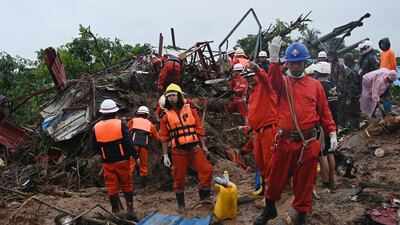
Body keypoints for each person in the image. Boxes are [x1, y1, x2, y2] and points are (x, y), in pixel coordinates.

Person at [253, 37, 337, 225]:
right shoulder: (282, 83)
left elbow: (324, 111)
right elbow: (272, 81)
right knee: (274, 177)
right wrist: (274, 59)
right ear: (288, 64)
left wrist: (332, 132)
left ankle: (301, 215)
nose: (296, 66)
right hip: (284, 141)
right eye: (292, 63)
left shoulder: (315, 86)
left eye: (299, 63)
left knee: (304, 181)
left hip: (307, 143)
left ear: (305, 62)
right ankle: (269, 209)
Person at [159, 83, 213, 212]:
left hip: (194, 147)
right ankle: (181, 205)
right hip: (177, 150)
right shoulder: (165, 116)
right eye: (169, 96)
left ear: (179, 95)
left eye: (174, 95)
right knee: (179, 177)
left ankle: (204, 199)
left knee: (206, 170)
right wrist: (165, 155)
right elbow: (165, 137)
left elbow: (199, 129)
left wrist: (203, 146)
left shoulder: (191, 109)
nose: (171, 97)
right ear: (166, 98)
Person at [92, 99, 137, 218]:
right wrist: (134, 155)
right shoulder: (120, 124)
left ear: (102, 113)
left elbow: (94, 147)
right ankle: (130, 210)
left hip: (107, 163)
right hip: (122, 161)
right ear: (114, 112)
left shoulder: (96, 127)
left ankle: (115, 212)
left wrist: (103, 154)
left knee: (112, 187)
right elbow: (129, 142)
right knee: (127, 185)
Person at [242, 64, 278, 207]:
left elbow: (266, 78)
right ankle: (264, 190)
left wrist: (257, 69)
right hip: (257, 132)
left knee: (270, 164)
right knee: (260, 162)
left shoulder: (266, 86)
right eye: (247, 78)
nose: (250, 80)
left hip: (269, 131)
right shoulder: (253, 90)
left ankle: (271, 198)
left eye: (251, 76)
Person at [314, 62, 338, 191]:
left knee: (321, 154)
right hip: (333, 123)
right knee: (330, 152)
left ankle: (325, 183)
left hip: (322, 125)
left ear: (317, 73)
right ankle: (332, 181)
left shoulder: (318, 86)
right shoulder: (333, 86)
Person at [127, 106, 161, 188]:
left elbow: (126, 131)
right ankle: (143, 185)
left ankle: (127, 185)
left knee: (130, 164)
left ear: (138, 114)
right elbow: (157, 138)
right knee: (144, 165)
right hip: (144, 146)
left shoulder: (133, 121)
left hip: (133, 145)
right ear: (147, 115)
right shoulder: (150, 124)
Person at [338, 53, 362, 130]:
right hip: (356, 95)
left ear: (348, 61)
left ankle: (354, 129)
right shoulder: (356, 68)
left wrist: (349, 98)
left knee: (353, 113)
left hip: (353, 96)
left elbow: (352, 87)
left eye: (345, 60)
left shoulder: (352, 72)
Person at [379, 38, 397, 114]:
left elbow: (393, 65)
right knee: (383, 93)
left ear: (387, 44)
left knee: (387, 93)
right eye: (381, 44)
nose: (382, 45)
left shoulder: (390, 52)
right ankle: (385, 109)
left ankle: (388, 110)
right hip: (382, 75)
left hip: (389, 76)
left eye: (383, 44)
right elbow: (381, 64)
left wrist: (392, 75)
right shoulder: (382, 53)